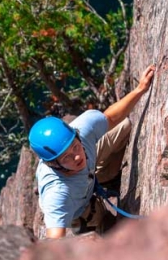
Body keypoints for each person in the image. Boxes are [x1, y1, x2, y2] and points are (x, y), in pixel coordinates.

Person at [28, 65, 156, 239]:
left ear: (76, 135)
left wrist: (140, 89)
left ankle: (106, 178)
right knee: (109, 232)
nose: (78, 156)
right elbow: (54, 240)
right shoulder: (57, 193)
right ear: (54, 165)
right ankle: (91, 221)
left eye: (75, 146)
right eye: (67, 157)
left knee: (123, 126)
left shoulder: (81, 129)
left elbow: (111, 117)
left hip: (90, 175)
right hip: (80, 206)